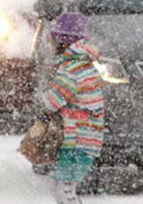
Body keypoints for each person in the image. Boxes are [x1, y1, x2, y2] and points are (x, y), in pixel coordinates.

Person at [40, 12, 105, 204]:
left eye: (53, 40)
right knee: (60, 186)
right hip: (86, 138)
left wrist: (43, 96)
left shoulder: (70, 69)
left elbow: (53, 101)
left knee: (64, 189)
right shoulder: (84, 65)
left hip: (76, 139)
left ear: (61, 42)